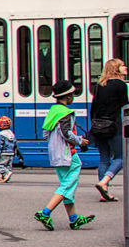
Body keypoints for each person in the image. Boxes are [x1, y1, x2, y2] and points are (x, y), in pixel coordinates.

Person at [34, 82, 95, 231]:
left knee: (67, 185)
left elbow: (46, 133)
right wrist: (80, 141)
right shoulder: (66, 113)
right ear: (67, 97)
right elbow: (66, 133)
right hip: (68, 153)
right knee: (67, 185)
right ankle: (45, 212)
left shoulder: (53, 111)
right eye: (72, 95)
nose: (73, 97)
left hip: (55, 153)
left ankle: (74, 218)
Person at [89, 60, 129, 202]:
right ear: (116, 69)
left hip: (98, 126)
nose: (125, 67)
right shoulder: (121, 85)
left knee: (103, 159)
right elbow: (125, 107)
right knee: (121, 157)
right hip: (114, 127)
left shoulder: (100, 85)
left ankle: (104, 193)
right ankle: (104, 182)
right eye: (122, 65)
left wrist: (94, 125)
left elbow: (93, 108)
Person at [0, 114, 20, 182]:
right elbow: (15, 144)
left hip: (3, 153)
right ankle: (5, 178)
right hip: (11, 153)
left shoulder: (0, 135)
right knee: (8, 166)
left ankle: (6, 173)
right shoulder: (11, 134)